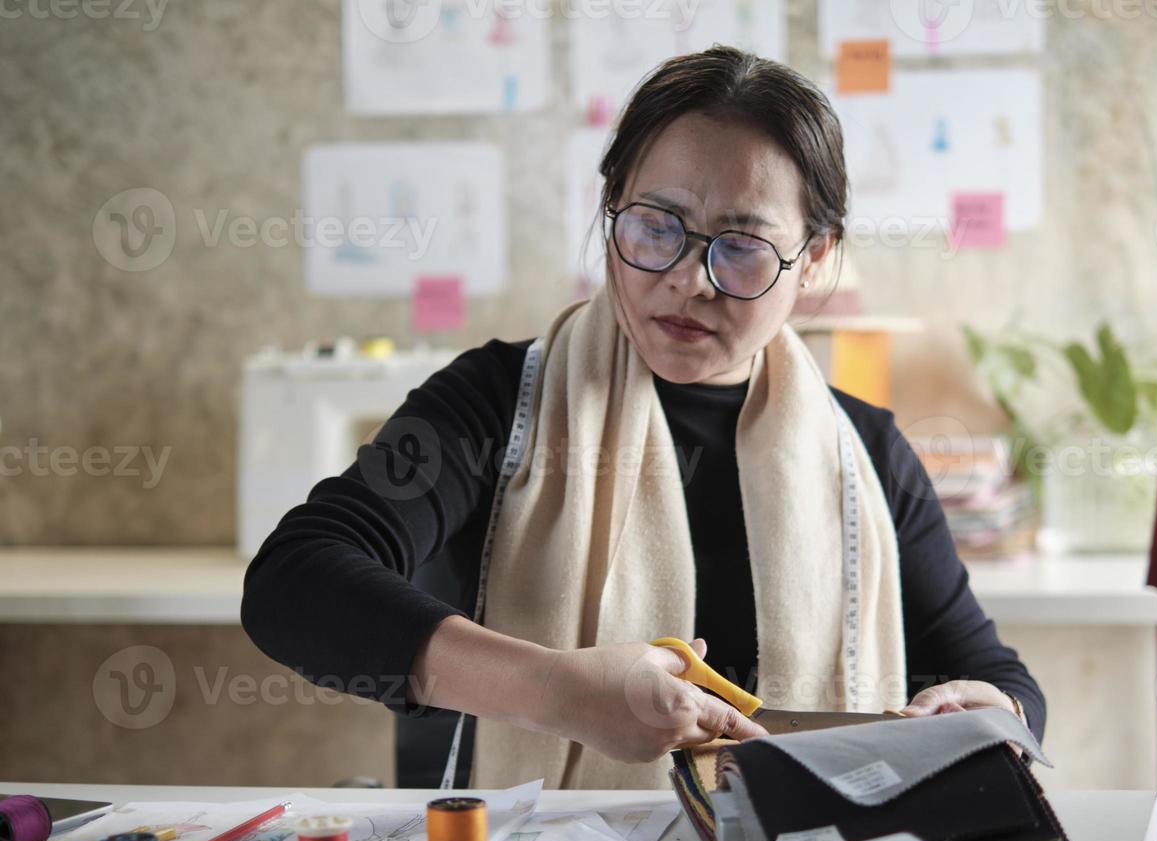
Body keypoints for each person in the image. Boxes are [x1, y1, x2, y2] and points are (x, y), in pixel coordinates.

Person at [241, 45, 1046, 790]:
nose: (687, 280)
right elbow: (295, 582)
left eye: (741, 247)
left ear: (819, 258)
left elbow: (995, 676)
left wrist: (992, 712)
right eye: (655, 227)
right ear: (611, 209)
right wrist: (552, 692)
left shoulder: (864, 453)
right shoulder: (496, 403)